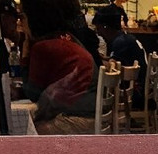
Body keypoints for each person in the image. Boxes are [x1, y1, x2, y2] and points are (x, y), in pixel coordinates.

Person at [20, 0, 97, 134]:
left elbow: (33, 94)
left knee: (26, 131)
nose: (20, 23)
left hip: (78, 119)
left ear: (33, 18)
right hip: (93, 114)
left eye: (22, 17)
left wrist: (25, 54)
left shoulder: (42, 47)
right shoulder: (68, 37)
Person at [93, 3, 146, 103]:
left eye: (99, 29)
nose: (98, 33)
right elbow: (119, 60)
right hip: (140, 89)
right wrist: (103, 58)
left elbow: (112, 67)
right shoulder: (125, 37)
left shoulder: (120, 42)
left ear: (106, 27)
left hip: (134, 95)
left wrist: (94, 60)